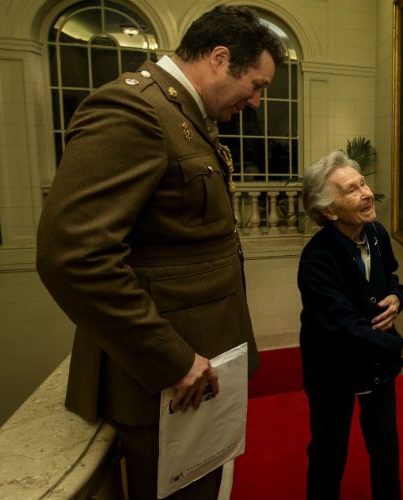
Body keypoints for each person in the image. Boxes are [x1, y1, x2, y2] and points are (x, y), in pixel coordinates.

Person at [36, 6, 285, 499]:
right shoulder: (134, 112)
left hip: (203, 369)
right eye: (255, 85)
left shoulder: (185, 112)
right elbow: (73, 255)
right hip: (168, 382)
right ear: (219, 58)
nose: (256, 102)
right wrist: (172, 360)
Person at [298, 151, 403, 500]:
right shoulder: (316, 260)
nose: (367, 192)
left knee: (386, 448)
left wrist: (396, 298)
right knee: (329, 455)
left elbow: (390, 276)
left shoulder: (375, 233)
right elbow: (344, 326)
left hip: (377, 364)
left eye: (363, 183)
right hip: (333, 370)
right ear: (329, 211)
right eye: (352, 190)